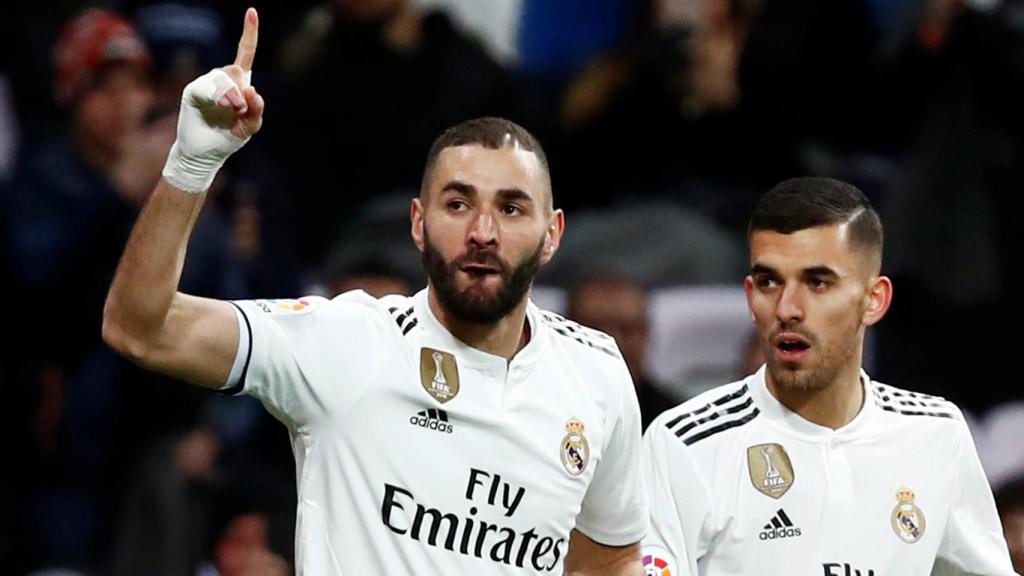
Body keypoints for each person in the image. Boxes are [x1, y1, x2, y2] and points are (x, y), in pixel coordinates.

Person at [102, 8, 647, 575]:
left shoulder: (598, 375)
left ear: (552, 233)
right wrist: (192, 163)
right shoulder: (345, 343)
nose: (482, 232)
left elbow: (609, 559)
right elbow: (141, 327)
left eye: (511, 208)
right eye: (458, 204)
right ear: (417, 223)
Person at [640, 177, 1017, 576]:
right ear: (750, 296)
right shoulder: (685, 444)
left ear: (874, 300)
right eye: (769, 282)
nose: (787, 308)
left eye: (817, 283)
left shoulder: (936, 435)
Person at [565, 274, 678, 431]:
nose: (613, 341)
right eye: (596, 329)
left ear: (646, 334)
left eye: (627, 330)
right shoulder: (537, 407)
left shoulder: (672, 424)